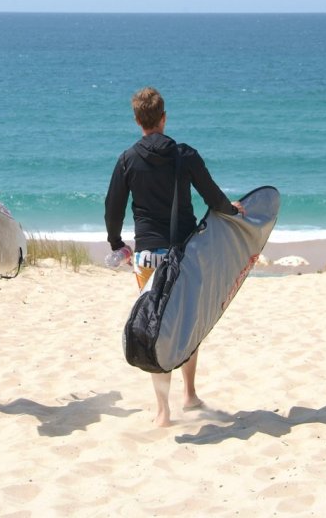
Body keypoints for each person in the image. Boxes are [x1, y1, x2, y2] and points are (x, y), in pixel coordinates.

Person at [105, 87, 245, 427]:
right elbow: (214, 198)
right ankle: (190, 394)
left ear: (138, 120)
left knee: (155, 325)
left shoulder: (128, 159)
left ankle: (163, 411)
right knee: (187, 321)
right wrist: (234, 211)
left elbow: (113, 208)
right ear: (164, 118)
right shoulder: (185, 155)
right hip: (184, 254)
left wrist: (115, 243)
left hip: (147, 257)